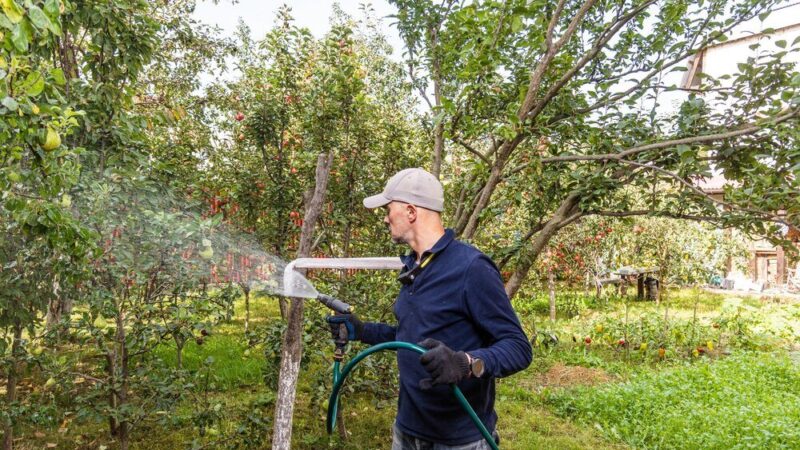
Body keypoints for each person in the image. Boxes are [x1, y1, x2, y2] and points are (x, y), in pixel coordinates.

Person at [328, 168, 532, 449]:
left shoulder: (471, 268)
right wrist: (362, 331)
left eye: (389, 209)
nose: (386, 218)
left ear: (411, 212)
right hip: (407, 431)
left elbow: (518, 348)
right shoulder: (415, 266)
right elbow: (413, 337)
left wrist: (466, 363)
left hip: (459, 440)